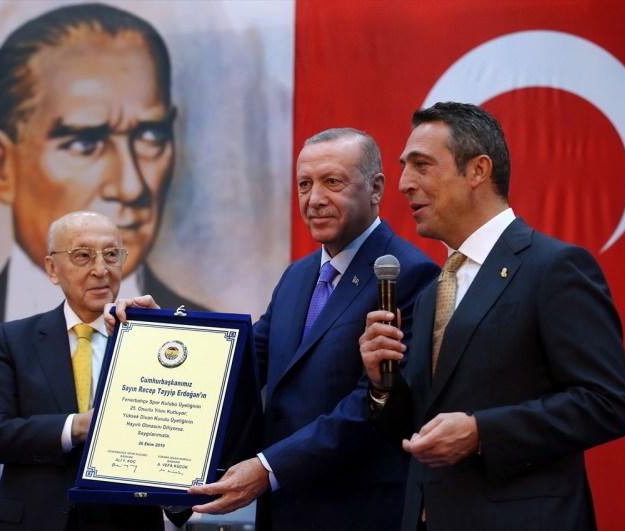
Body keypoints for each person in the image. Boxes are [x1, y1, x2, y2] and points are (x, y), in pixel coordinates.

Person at [0, 4, 203, 529]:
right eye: (86, 141)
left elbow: (188, 454)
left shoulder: (179, 340)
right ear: (1, 163)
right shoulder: (7, 340)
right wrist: (76, 427)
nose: (132, 185)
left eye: (150, 136)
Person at [112, 128, 439, 530]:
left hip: (357, 511)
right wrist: (161, 335)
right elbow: (238, 361)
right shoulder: (297, 276)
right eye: (304, 184)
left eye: (332, 182)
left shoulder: (410, 275)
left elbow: (369, 406)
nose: (314, 199)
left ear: (376, 188)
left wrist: (268, 468)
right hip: (283, 511)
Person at [359, 102, 625, 531]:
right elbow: (422, 424)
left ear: (478, 171)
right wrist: (382, 386)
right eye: (403, 167)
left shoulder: (554, 268)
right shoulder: (434, 291)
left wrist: (481, 432)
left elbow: (607, 403)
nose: (404, 183)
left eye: (422, 165)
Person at [0, 210, 165, 530]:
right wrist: (75, 427)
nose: (101, 269)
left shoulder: (146, 338)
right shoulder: (16, 340)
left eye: (111, 254)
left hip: (127, 521)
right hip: (34, 520)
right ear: (52, 268)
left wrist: (162, 333)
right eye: (83, 256)